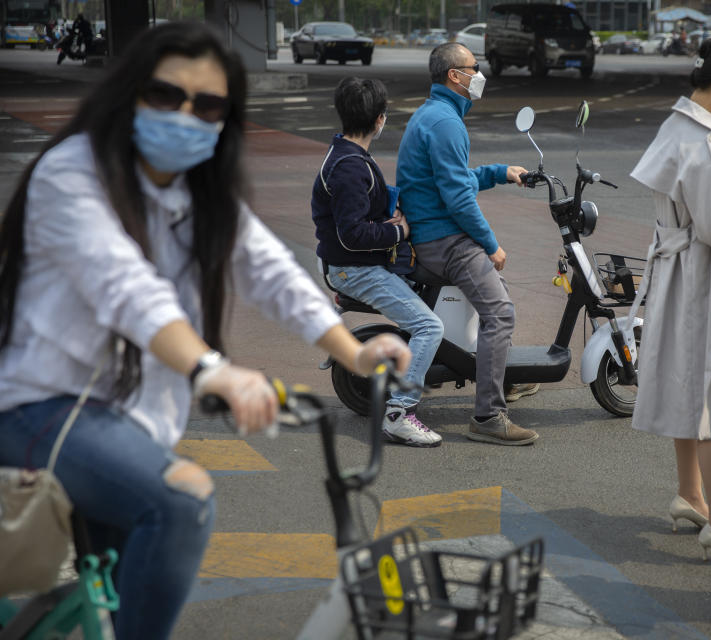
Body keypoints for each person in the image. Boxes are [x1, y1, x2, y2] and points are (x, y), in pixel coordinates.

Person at [0, 23, 408, 640]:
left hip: (127, 417)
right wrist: (210, 368)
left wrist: (352, 351)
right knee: (181, 501)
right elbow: (126, 288)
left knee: (108, 597)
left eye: (209, 105)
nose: (186, 116)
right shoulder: (72, 173)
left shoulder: (199, 188)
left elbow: (269, 270)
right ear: (131, 92)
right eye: (167, 95)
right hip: (41, 406)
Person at [628, 26, 711, 558]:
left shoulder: (676, 124)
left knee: (690, 386)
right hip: (709, 277)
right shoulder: (709, 141)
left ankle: (690, 494)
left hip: (677, 270)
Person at [396, 42, 540, 446]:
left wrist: (500, 172)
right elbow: (458, 198)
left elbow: (453, 179)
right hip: (444, 240)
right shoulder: (445, 123)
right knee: (500, 311)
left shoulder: (435, 115)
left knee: (498, 300)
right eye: (473, 68)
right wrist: (491, 245)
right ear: (454, 76)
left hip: (433, 232)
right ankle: (488, 415)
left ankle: (499, 376)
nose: (480, 74)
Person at [313, 76, 444, 447]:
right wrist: (398, 233)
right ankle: (400, 414)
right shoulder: (350, 168)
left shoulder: (347, 155)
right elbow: (351, 234)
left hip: (355, 263)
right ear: (380, 120)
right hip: (355, 270)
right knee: (429, 327)